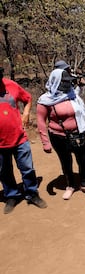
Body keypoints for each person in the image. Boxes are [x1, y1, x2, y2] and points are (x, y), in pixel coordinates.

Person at [36, 68, 85, 200]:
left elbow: (84, 112)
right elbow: (41, 122)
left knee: (83, 160)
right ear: (57, 82)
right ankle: (70, 185)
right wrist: (45, 142)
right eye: (64, 82)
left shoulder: (72, 94)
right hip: (58, 136)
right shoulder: (45, 100)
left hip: (78, 134)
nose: (67, 84)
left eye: (68, 82)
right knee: (66, 161)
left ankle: (84, 183)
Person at [0, 67, 47, 214]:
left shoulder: (11, 85)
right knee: (4, 171)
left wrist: (26, 113)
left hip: (19, 138)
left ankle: (32, 193)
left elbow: (27, 98)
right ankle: (12, 195)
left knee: (27, 168)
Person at [54, 60, 85, 151]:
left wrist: (79, 85)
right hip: (63, 105)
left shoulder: (71, 78)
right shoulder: (57, 80)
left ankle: (83, 142)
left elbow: (74, 93)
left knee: (80, 121)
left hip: (73, 103)